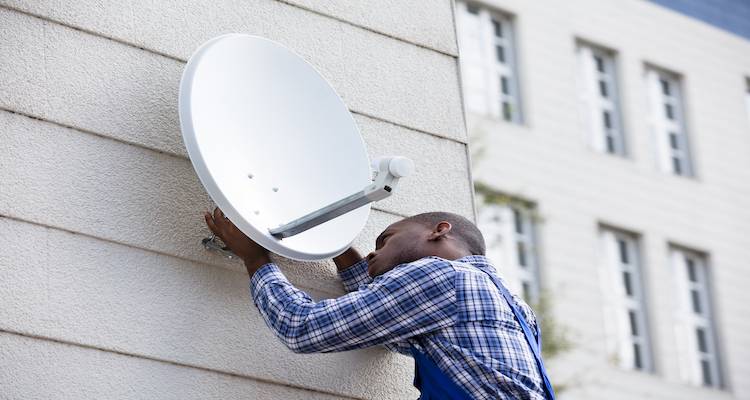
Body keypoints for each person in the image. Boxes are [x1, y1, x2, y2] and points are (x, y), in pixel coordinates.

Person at [204, 207, 555, 400]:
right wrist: (341, 250)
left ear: (439, 231)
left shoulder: (440, 276)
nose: (375, 250)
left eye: (386, 239)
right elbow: (390, 329)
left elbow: (303, 327)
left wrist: (256, 260)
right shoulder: (514, 307)